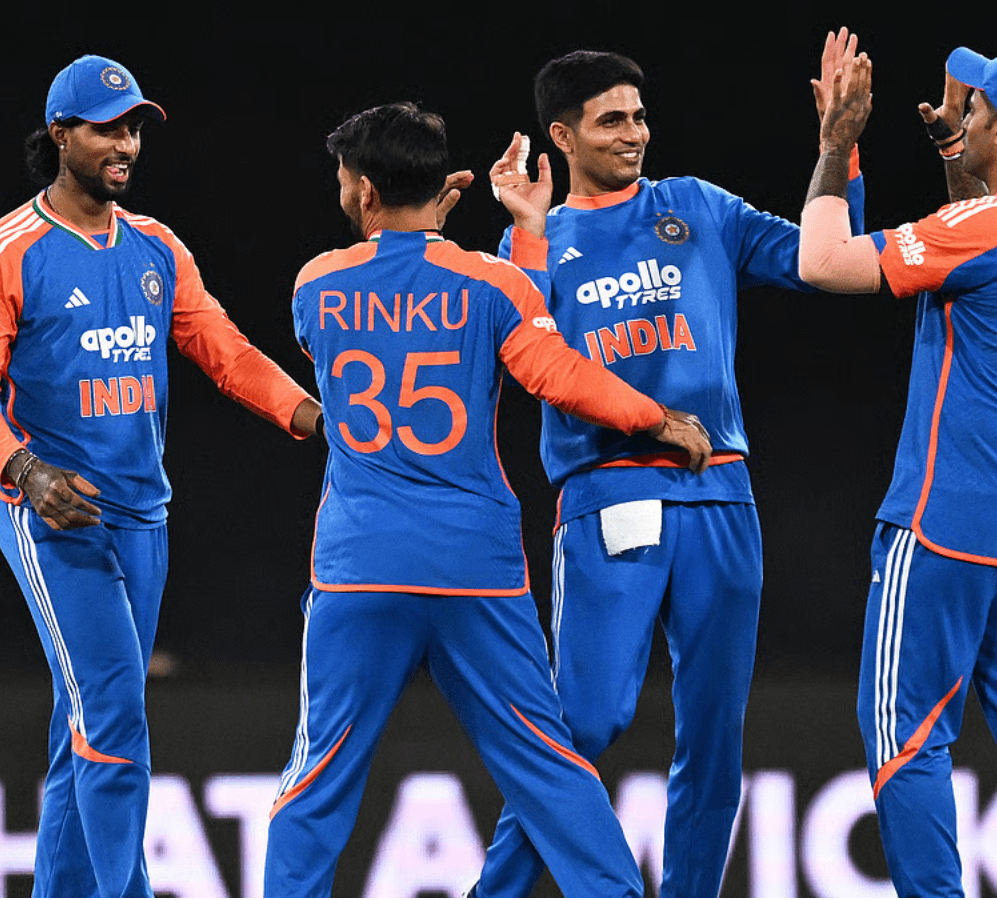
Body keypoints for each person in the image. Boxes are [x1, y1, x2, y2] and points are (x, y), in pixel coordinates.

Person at [261, 101, 713, 899]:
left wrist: (426, 231)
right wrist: (655, 418)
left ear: (365, 191)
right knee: (545, 764)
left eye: (343, 179)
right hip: (474, 567)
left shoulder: (315, 284)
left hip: (360, 566)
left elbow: (375, 317)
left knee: (319, 772)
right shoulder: (493, 282)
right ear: (438, 186)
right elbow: (551, 368)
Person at [472, 35, 865, 898]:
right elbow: (524, 353)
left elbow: (823, 262)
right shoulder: (535, 241)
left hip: (722, 495)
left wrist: (838, 149)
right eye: (611, 120)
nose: (634, 133)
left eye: (640, 116)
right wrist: (528, 233)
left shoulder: (697, 206)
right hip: (610, 494)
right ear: (561, 136)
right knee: (585, 723)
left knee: (715, 741)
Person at [0, 54, 320, 897]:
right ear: (60, 135)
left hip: (143, 515)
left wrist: (321, 420)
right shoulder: (1, 254)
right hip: (53, 514)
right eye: (108, 129)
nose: (126, 145)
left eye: (135, 129)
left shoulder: (156, 246)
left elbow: (227, 354)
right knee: (113, 712)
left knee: (81, 723)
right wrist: (28, 472)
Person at [798, 39, 997, 897]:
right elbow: (982, 239)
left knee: (903, 734)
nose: (961, 115)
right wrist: (950, 149)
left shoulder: (992, 227)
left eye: (973, 110)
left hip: (944, 519)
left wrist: (837, 144)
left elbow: (821, 261)